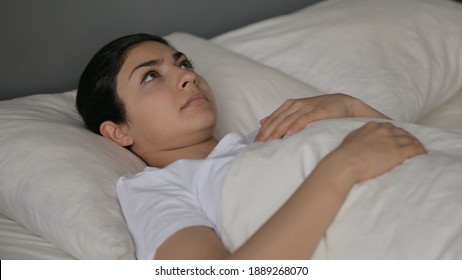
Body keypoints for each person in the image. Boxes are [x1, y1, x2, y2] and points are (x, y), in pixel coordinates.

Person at [76, 33, 427, 259]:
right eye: (151, 75)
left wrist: (350, 106)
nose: (188, 76)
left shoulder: (274, 130)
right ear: (119, 132)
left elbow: (421, 149)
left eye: (183, 63)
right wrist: (341, 169)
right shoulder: (156, 189)